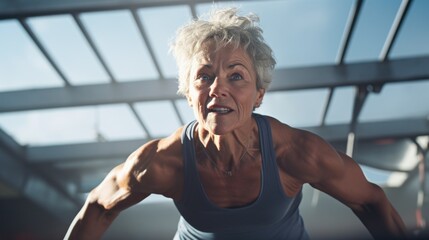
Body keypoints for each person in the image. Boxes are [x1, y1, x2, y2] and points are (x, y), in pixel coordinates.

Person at [64, 7, 408, 240]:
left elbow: (369, 201)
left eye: (236, 76)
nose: (218, 89)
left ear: (259, 95)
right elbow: (97, 207)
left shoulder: (296, 153)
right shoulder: (162, 162)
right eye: (204, 76)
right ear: (188, 93)